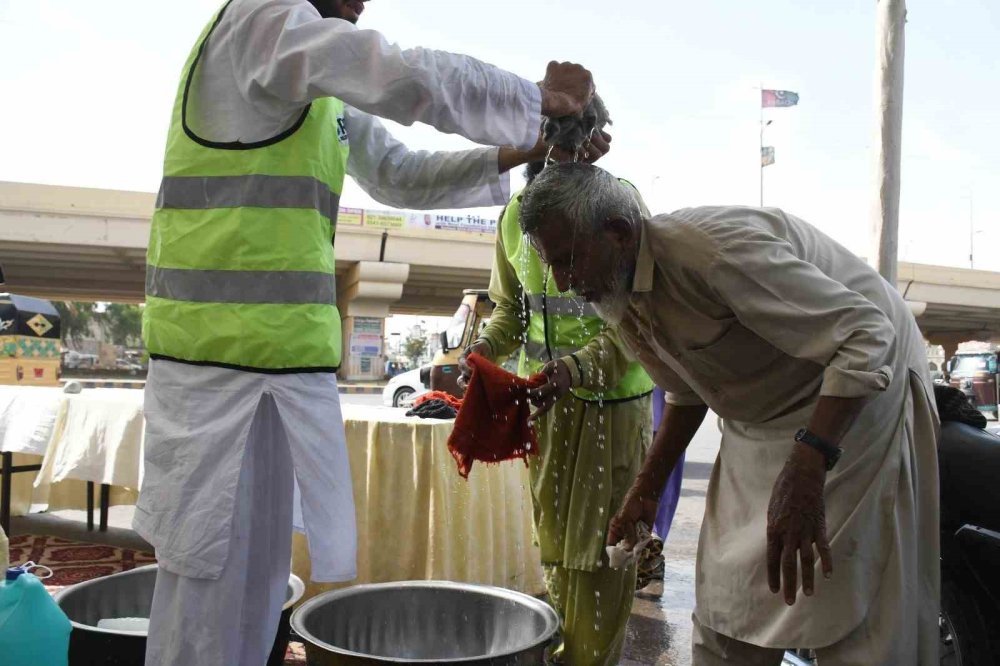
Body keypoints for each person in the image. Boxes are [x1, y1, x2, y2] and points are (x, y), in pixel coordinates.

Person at [136, 0, 604, 663]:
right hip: (211, 379)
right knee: (205, 601)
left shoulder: (317, 88)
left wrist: (530, 142)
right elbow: (398, 74)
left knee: (256, 593)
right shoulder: (263, 22)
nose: (362, 4)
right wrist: (536, 99)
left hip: (276, 382)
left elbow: (398, 174)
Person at [517, 163, 940, 665]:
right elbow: (686, 391)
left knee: (852, 602)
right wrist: (646, 488)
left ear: (619, 233)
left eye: (568, 259)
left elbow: (866, 337)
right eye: (551, 265)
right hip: (758, 423)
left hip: (860, 399)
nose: (564, 283)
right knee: (727, 602)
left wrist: (809, 463)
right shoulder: (618, 290)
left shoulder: (713, 254)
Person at [460, 157, 654, 665]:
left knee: (600, 558)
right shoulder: (516, 216)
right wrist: (482, 351)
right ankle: (568, 656)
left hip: (613, 410)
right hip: (547, 409)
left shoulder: (616, 205)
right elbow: (509, 309)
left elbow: (638, 317)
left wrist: (578, 369)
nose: (563, 281)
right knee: (555, 552)